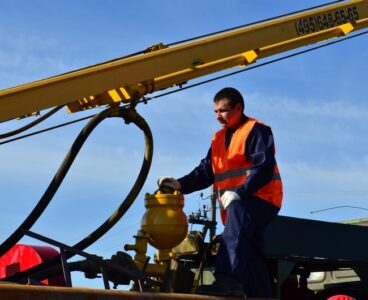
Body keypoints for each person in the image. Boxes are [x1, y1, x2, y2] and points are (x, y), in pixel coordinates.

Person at [158, 87, 283, 298]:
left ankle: (227, 279)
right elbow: (205, 171)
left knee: (233, 236)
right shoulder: (218, 139)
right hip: (237, 204)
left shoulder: (256, 129)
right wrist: (179, 184)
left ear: (238, 107)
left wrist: (240, 193)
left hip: (261, 200)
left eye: (223, 111)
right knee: (251, 257)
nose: (218, 116)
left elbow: (264, 168)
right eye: (215, 111)